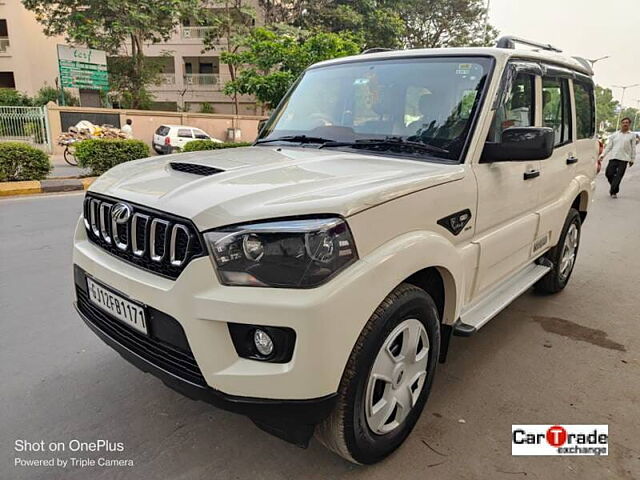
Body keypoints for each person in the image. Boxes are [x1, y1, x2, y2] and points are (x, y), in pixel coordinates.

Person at [601, 117, 635, 198]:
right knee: (608, 173)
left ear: (629, 124)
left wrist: (632, 159)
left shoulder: (632, 135)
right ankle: (615, 188)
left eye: (627, 123)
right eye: (624, 122)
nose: (625, 124)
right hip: (614, 157)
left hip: (624, 159)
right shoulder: (615, 134)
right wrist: (603, 155)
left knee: (619, 176)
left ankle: (613, 192)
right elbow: (609, 146)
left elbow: (633, 148)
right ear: (621, 124)